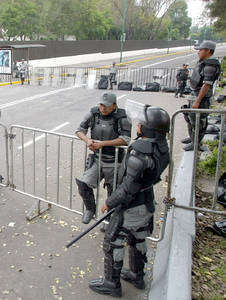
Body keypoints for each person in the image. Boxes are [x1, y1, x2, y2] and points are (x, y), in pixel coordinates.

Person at [89, 104, 170, 297]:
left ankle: (112, 284)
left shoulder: (141, 152)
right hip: (147, 202)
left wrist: (110, 202)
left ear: (147, 128)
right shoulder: (161, 146)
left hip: (132, 205)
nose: (138, 125)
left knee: (113, 241)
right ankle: (136, 275)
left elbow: (128, 187)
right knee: (138, 238)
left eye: (141, 123)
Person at [75, 93, 131, 225]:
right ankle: (90, 209)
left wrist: (102, 144)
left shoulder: (122, 117)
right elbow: (79, 130)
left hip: (115, 160)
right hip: (97, 159)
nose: (102, 108)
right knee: (83, 184)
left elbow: (126, 139)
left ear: (114, 106)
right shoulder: (93, 113)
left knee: (113, 193)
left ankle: (110, 220)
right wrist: (87, 140)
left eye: (106, 106)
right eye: (101, 104)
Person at [182, 40, 221, 151]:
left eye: (201, 50)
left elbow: (206, 85)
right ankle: (192, 138)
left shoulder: (211, 65)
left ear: (208, 51)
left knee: (199, 121)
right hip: (194, 95)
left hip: (201, 99)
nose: (198, 52)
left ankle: (197, 143)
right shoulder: (203, 62)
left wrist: (198, 101)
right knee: (190, 118)